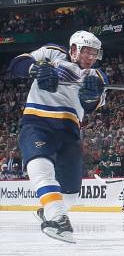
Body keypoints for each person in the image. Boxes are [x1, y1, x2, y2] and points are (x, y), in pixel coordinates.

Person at [7, 31, 107, 243]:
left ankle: (48, 211)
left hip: (69, 131)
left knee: (70, 194)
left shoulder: (96, 76)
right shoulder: (53, 53)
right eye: (86, 52)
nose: (90, 57)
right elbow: (17, 64)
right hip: (37, 121)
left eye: (94, 53)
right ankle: (57, 219)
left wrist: (91, 96)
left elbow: (92, 106)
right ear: (73, 50)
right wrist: (36, 69)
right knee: (40, 165)